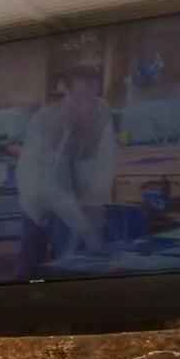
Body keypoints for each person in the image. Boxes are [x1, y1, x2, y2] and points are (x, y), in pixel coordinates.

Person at [15, 61, 119, 274]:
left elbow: (103, 167)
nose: (87, 106)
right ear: (67, 94)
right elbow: (57, 190)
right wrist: (90, 235)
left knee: (74, 264)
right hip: (39, 194)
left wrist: (96, 209)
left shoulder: (102, 113)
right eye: (80, 99)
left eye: (91, 97)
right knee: (32, 267)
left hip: (71, 197)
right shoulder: (49, 122)